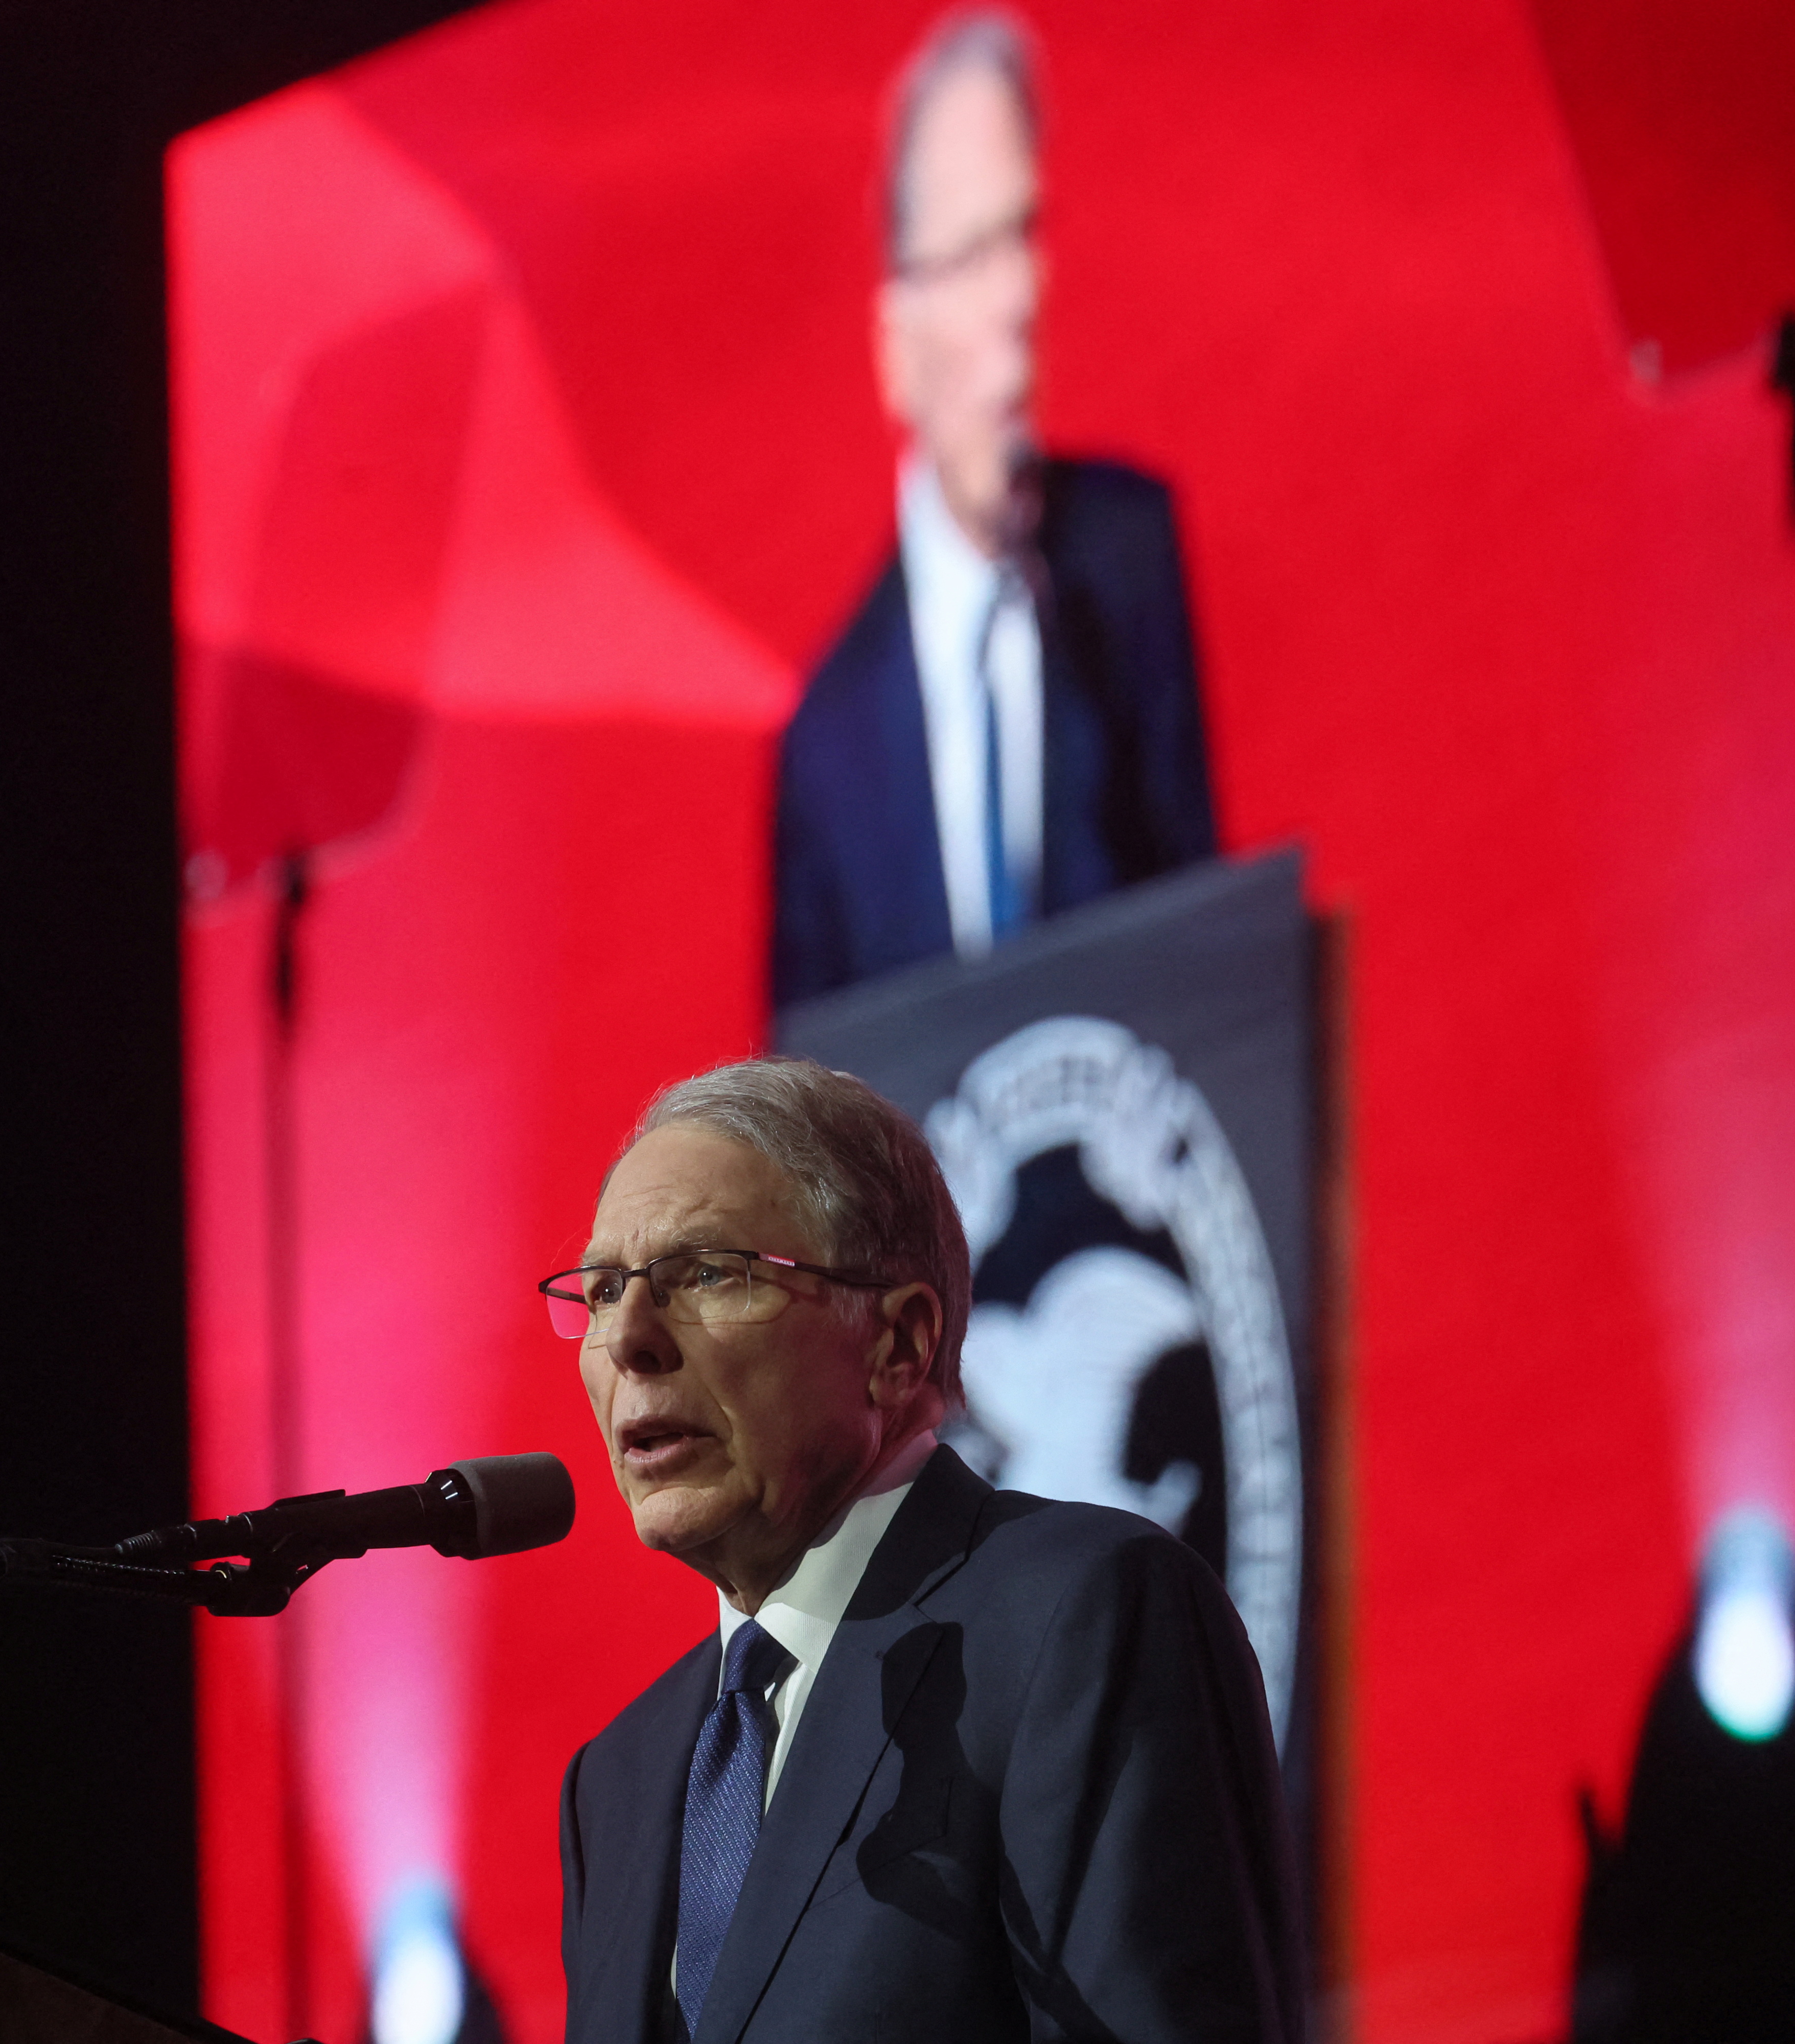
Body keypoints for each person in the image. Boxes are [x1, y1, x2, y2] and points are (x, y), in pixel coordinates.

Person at [549, 1056, 1303, 2042]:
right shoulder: (619, 1778)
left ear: (898, 1346)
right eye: (603, 1291)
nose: (631, 1338)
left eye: (706, 1275)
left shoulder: (1078, 1621)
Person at [771, 10, 1219, 1010]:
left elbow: (1212, 963)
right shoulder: (829, 744)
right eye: (973, 252)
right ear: (896, 339)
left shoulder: (1126, 562)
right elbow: (802, 1129)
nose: (1019, 292)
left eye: (1023, 234)